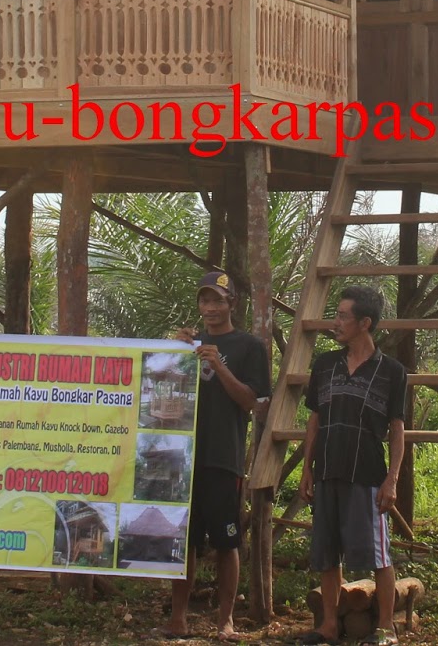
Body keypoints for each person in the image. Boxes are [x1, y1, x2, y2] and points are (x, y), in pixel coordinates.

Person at [165, 269, 272, 641]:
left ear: (232, 303)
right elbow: (160, 391)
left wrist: (219, 365)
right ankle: (178, 616)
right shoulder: (187, 344)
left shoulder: (250, 347)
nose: (210, 307)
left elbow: (253, 403)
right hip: (180, 456)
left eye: (217, 300)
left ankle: (225, 619)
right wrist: (171, 355)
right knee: (184, 541)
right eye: (204, 300)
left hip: (223, 456)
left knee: (227, 541)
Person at [298, 286, 407, 646]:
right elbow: (315, 419)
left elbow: (396, 429)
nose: (336, 322)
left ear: (365, 323)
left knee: (378, 554)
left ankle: (386, 628)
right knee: (327, 552)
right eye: (337, 314)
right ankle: (329, 625)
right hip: (328, 470)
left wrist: (391, 480)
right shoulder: (325, 364)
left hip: (368, 475)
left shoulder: (391, 371)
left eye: (343, 316)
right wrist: (307, 467)